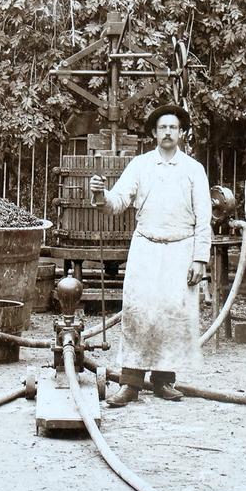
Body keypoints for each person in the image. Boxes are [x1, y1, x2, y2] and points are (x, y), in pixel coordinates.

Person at [89, 104, 210, 407]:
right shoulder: (140, 166)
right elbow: (116, 202)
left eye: (173, 127)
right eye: (162, 128)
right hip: (145, 247)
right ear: (154, 134)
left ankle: (163, 380)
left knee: (172, 313)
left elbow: (204, 218)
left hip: (181, 249)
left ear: (182, 133)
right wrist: (100, 195)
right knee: (138, 311)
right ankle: (130, 384)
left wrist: (200, 258)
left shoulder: (193, 169)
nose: (168, 132)